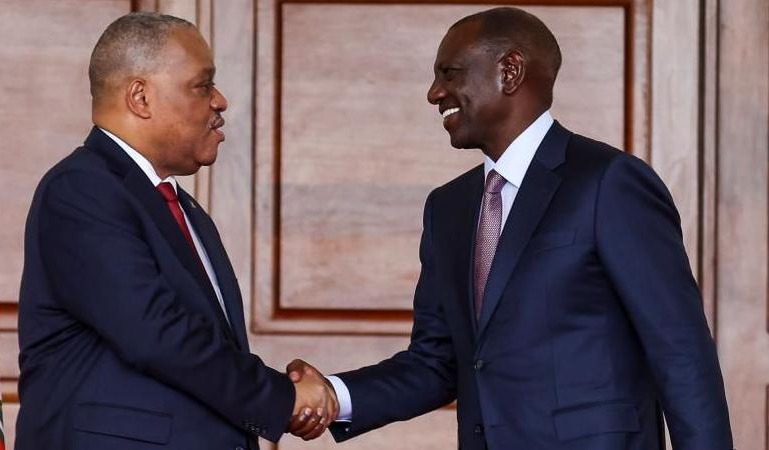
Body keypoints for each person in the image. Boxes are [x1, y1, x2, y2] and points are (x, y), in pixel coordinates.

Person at [288, 6, 733, 449]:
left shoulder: (609, 182)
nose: (434, 93)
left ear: (510, 71)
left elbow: (681, 353)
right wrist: (334, 394)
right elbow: (437, 363)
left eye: (450, 73)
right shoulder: (447, 208)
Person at [15, 12, 336, 450]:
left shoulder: (183, 209)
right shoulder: (81, 189)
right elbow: (155, 331)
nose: (220, 101)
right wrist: (280, 397)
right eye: (202, 85)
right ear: (141, 97)